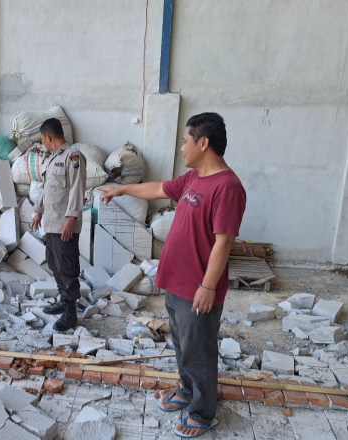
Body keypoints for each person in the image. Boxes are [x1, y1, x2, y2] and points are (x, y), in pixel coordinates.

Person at [99, 112, 246, 438]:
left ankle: (203, 412)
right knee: (182, 344)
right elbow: (158, 189)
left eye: (185, 140)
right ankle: (187, 391)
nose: (182, 148)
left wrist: (208, 287)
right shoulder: (194, 179)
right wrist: (121, 191)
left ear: (203, 143)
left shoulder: (228, 187)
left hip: (199, 287)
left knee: (200, 349)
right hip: (177, 283)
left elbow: (223, 243)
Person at [31, 118, 87, 331]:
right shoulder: (53, 158)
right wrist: (38, 211)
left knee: (67, 266)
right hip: (51, 223)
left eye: (42, 140)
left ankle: (71, 313)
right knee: (54, 263)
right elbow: (47, 189)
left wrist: (71, 218)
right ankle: (64, 301)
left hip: (65, 224)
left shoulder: (73, 157)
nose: (43, 143)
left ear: (48, 137)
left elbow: (77, 189)